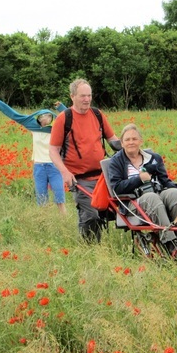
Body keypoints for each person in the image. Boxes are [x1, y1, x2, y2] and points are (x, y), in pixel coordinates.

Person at [49, 79, 120, 241]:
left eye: (89, 96)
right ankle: (92, 249)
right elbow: (53, 150)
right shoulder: (63, 119)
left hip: (103, 176)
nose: (87, 99)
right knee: (91, 215)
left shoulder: (97, 114)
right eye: (82, 96)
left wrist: (132, 147)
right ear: (72, 96)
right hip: (80, 179)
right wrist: (65, 173)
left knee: (122, 208)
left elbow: (113, 140)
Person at [107, 123, 177, 255]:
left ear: (141, 141)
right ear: (121, 143)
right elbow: (117, 188)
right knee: (152, 198)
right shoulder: (116, 162)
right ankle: (170, 244)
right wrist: (139, 179)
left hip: (157, 193)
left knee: (174, 193)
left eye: (134, 139)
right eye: (127, 140)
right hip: (133, 202)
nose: (131, 142)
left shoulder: (153, 158)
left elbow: (165, 180)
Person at [0, 94, 67, 214]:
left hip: (55, 166)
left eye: (48, 118)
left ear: (52, 119)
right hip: (39, 166)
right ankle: (44, 221)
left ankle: (63, 221)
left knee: (60, 198)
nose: (44, 121)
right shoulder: (33, 127)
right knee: (41, 199)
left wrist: (61, 108)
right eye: (42, 118)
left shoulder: (58, 128)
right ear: (38, 119)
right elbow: (13, 114)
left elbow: (72, 119)